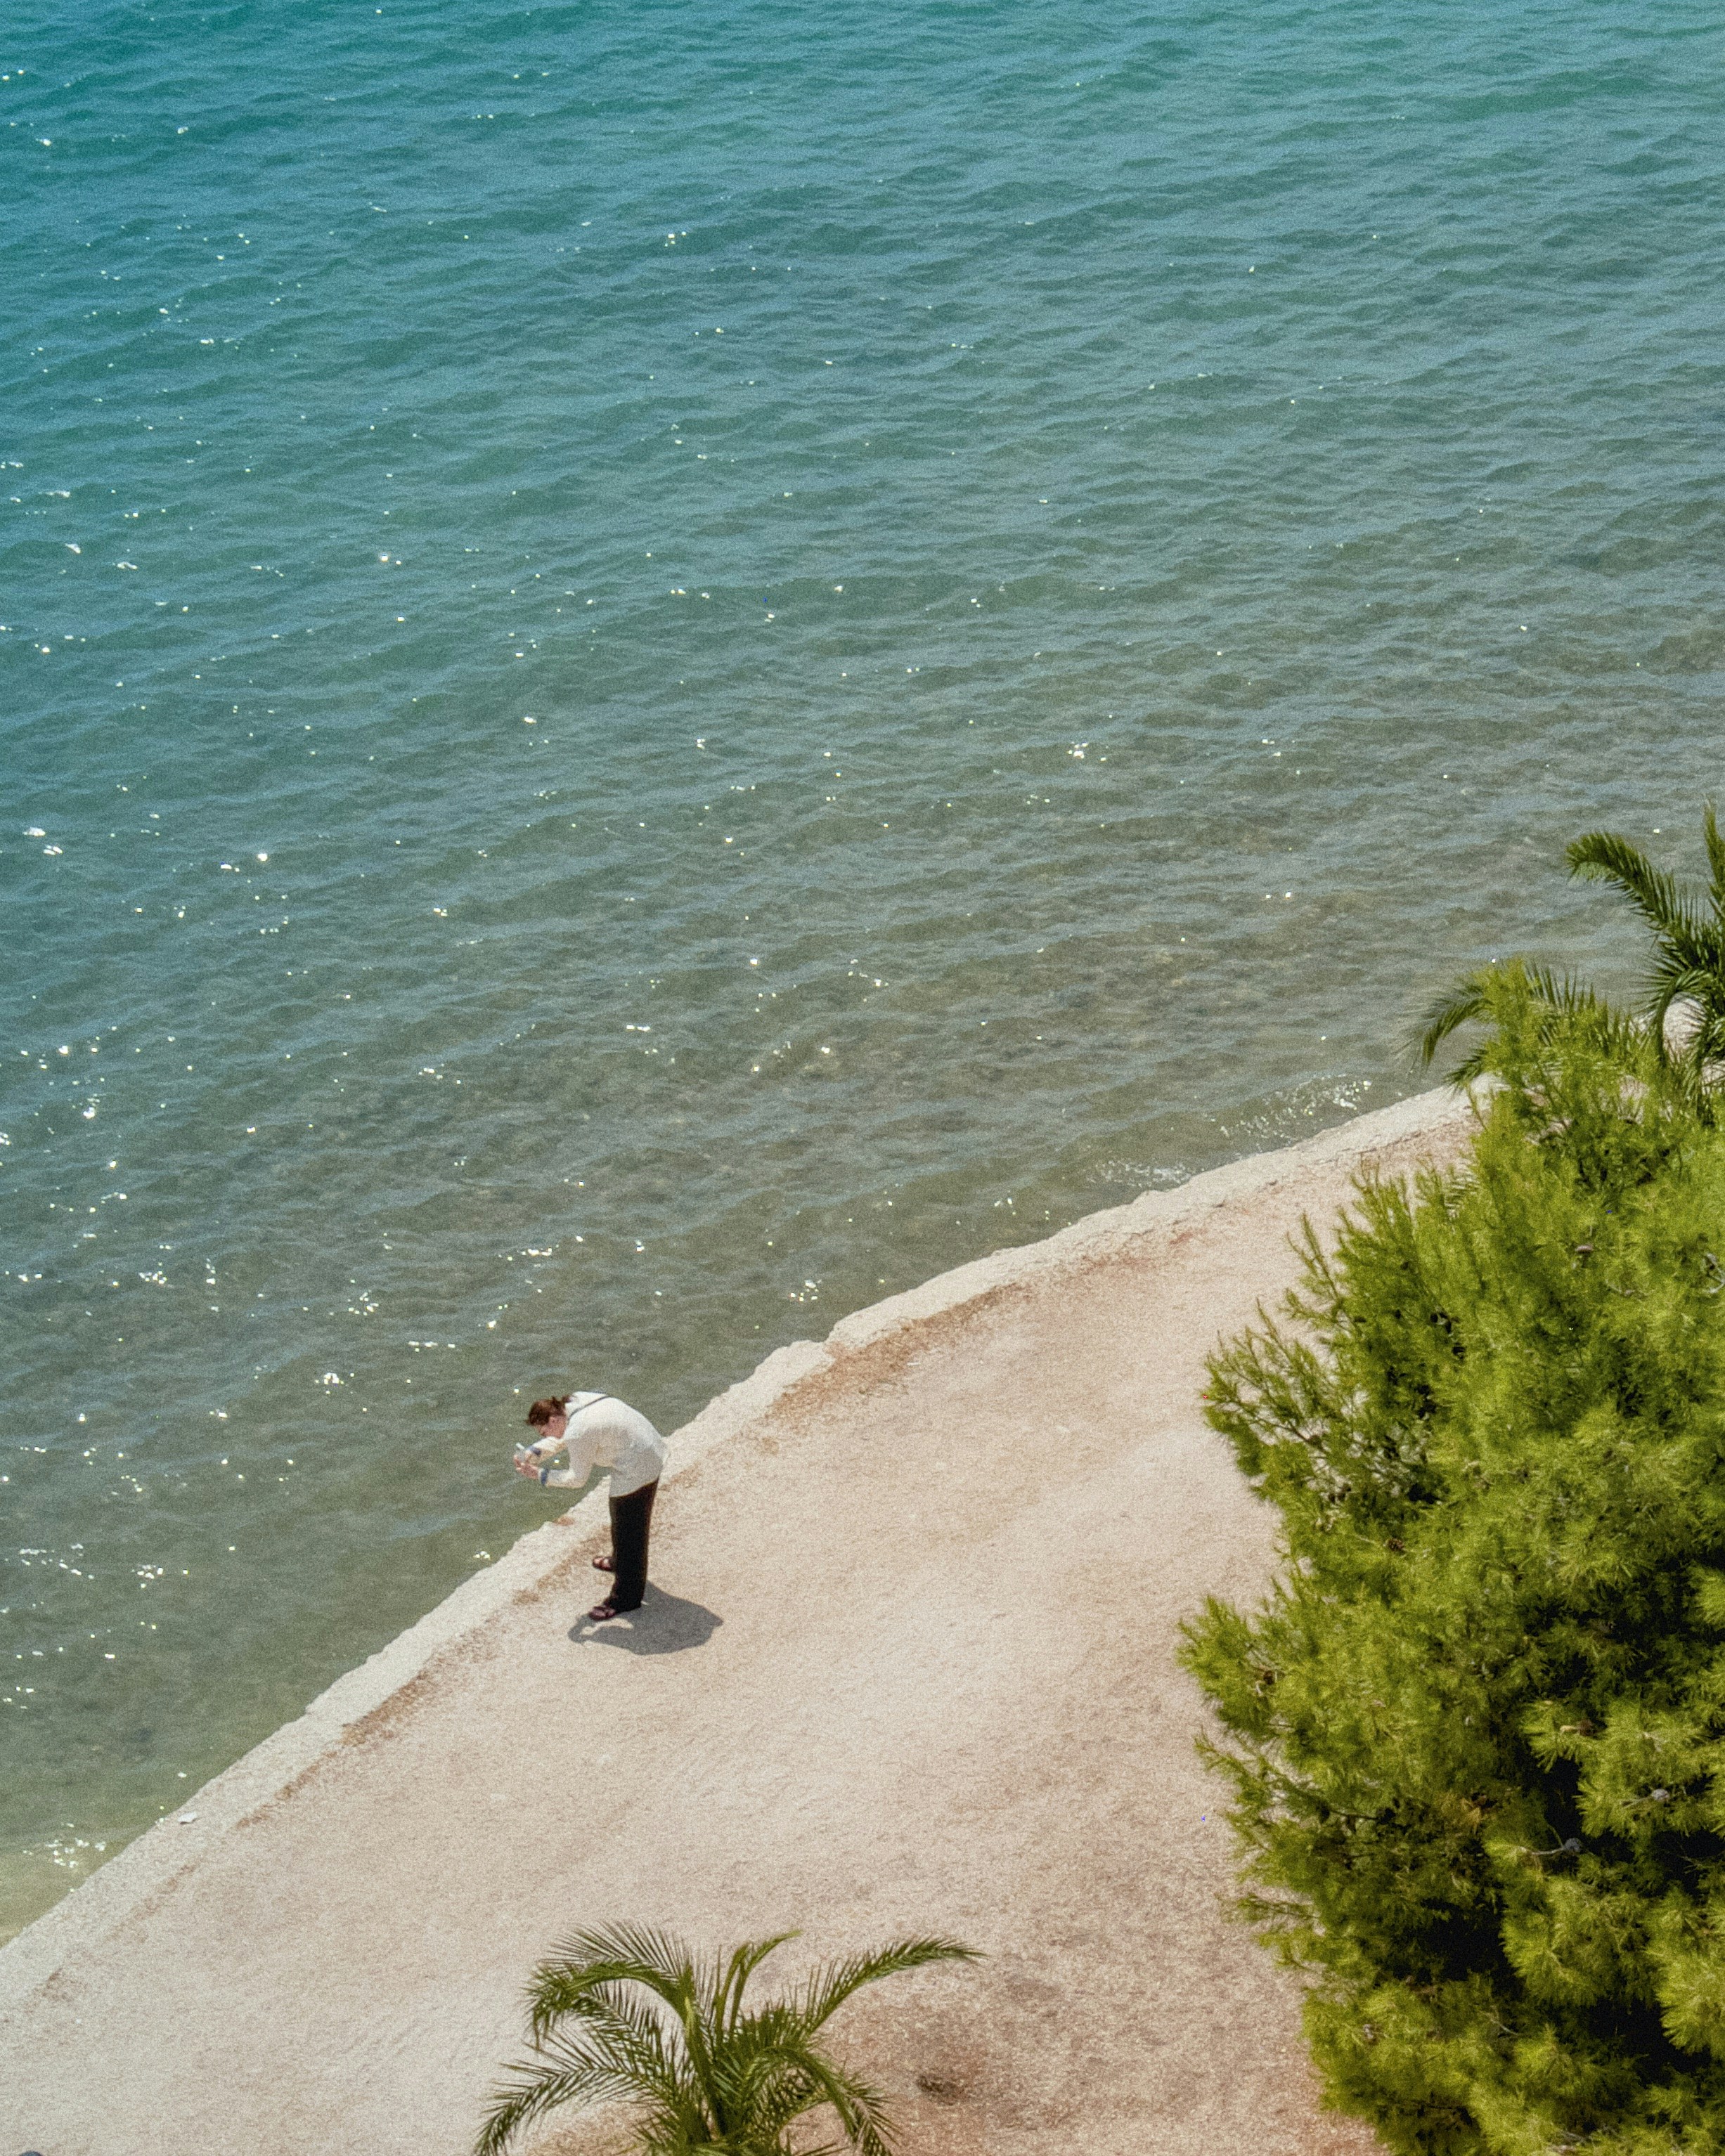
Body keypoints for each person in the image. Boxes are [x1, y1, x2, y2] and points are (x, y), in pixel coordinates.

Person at [516, 1391, 666, 1622]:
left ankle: (626, 1597)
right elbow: (569, 1435)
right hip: (648, 1446)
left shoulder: (578, 1431)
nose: (545, 1435)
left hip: (637, 1466)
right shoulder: (576, 1400)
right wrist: (534, 1452)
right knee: (621, 1518)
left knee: (629, 1531)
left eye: (543, 1431)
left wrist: (540, 1474)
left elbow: (577, 1479)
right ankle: (619, 1562)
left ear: (554, 1420)